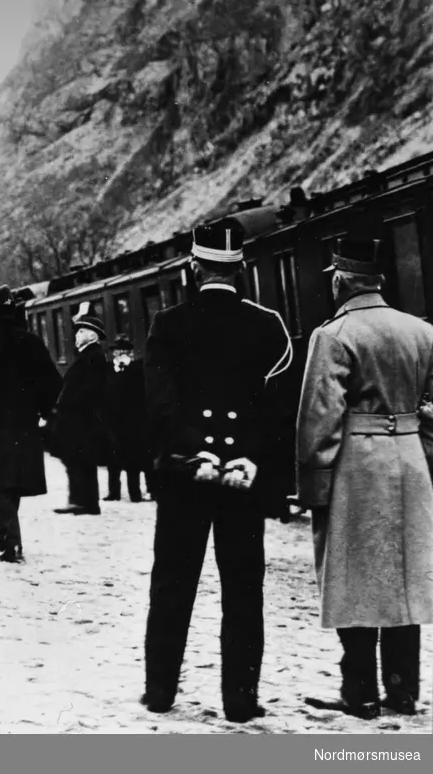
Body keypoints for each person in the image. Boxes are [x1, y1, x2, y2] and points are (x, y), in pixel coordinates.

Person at [140, 218, 293, 723]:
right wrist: (248, 456)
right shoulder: (269, 325)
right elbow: (277, 408)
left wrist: (193, 452)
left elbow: (160, 406)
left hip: (187, 478)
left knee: (173, 586)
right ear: (242, 268)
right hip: (242, 483)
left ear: (192, 266)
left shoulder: (167, 325)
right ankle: (241, 700)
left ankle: (161, 692)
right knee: (244, 590)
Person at [295, 228, 433, 719]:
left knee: (355, 579)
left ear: (343, 282)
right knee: (404, 579)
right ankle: (402, 691)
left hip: (358, 465)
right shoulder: (422, 331)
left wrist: (313, 486)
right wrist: (422, 451)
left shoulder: (333, 336)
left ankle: (361, 693)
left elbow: (319, 419)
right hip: (411, 460)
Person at [0, 285, 63, 562]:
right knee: (15, 481)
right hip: (23, 424)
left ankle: (11, 540)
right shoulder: (30, 341)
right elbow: (52, 381)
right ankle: (8, 536)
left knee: (0, 483)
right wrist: (41, 408)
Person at [49, 303, 110, 516]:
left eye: (82, 331)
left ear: (93, 336)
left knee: (79, 461)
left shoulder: (93, 357)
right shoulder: (88, 356)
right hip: (79, 420)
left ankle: (83, 501)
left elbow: (89, 389)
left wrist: (71, 406)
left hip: (82, 420)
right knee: (78, 461)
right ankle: (83, 501)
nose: (77, 335)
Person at [101, 335, 153, 502]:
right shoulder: (108, 370)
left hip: (135, 422)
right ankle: (113, 492)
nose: (121, 355)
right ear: (113, 354)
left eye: (125, 352)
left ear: (131, 354)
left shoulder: (138, 369)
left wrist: (129, 368)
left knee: (135, 460)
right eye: (118, 352)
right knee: (113, 460)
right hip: (113, 422)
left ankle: (135, 493)